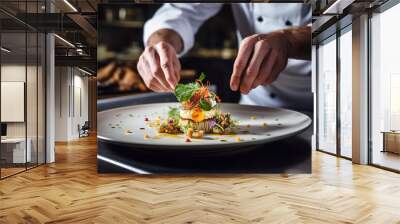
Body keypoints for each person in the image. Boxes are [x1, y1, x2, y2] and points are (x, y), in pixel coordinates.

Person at [137, 3, 312, 111]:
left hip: (328, 105)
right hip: (258, 106)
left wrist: (290, 40)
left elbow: (338, 20)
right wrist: (161, 43)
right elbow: (183, 9)